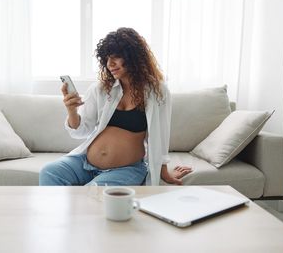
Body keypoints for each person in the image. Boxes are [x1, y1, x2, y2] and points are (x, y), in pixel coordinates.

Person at [39, 27, 192, 186]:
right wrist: (72, 110)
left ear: (133, 57)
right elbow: (81, 131)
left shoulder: (157, 91)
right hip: (85, 162)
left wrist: (164, 173)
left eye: (116, 57)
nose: (110, 63)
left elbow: (161, 134)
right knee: (49, 172)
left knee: (92, 194)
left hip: (127, 169)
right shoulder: (100, 89)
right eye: (107, 58)